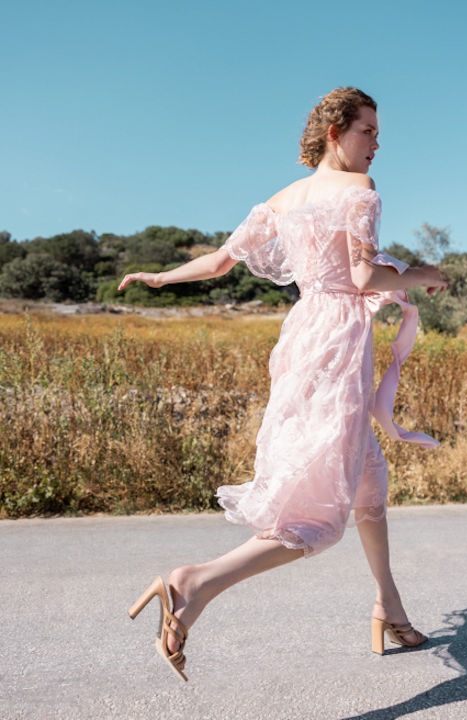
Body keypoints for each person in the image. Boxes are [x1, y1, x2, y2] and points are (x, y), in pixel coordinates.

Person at [120, 87, 448, 681]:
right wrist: (426, 274)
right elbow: (361, 273)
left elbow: (221, 261)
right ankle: (195, 582)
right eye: (368, 131)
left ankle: (388, 605)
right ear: (334, 133)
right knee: (317, 517)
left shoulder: (284, 198)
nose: (378, 144)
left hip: (302, 337)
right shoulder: (359, 191)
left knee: (367, 479)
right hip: (338, 345)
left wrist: (162, 277)